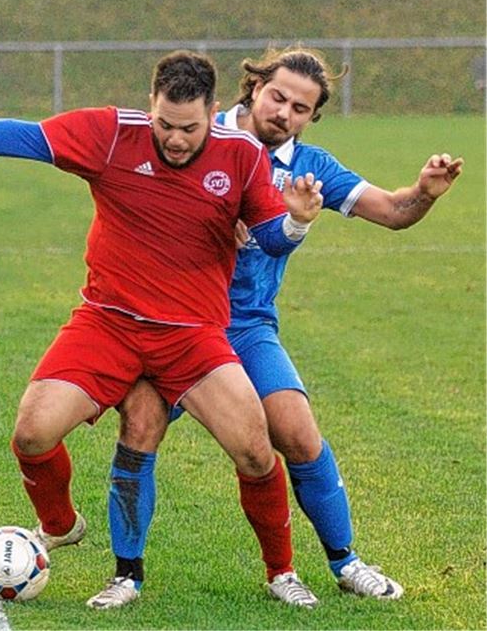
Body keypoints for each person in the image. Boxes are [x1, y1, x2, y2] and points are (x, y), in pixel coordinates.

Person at [0, 50, 326, 608]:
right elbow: (32, 138)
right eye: (165, 124)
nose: (176, 139)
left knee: (257, 453)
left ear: (213, 111)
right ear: (151, 106)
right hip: (108, 323)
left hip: (192, 334)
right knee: (32, 434)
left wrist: (297, 221)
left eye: (189, 128)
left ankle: (281, 572)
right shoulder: (114, 133)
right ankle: (67, 529)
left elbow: (270, 234)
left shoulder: (241, 155)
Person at [103, 48, 465, 607]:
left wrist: (423, 192)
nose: (284, 112)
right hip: (171, 321)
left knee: (296, 433)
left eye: (301, 107)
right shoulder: (198, 134)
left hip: (246, 326)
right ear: (253, 87)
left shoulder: (311, 169)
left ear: (311, 116)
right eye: (278, 97)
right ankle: (127, 574)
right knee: (141, 423)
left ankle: (345, 563)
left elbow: (393, 211)